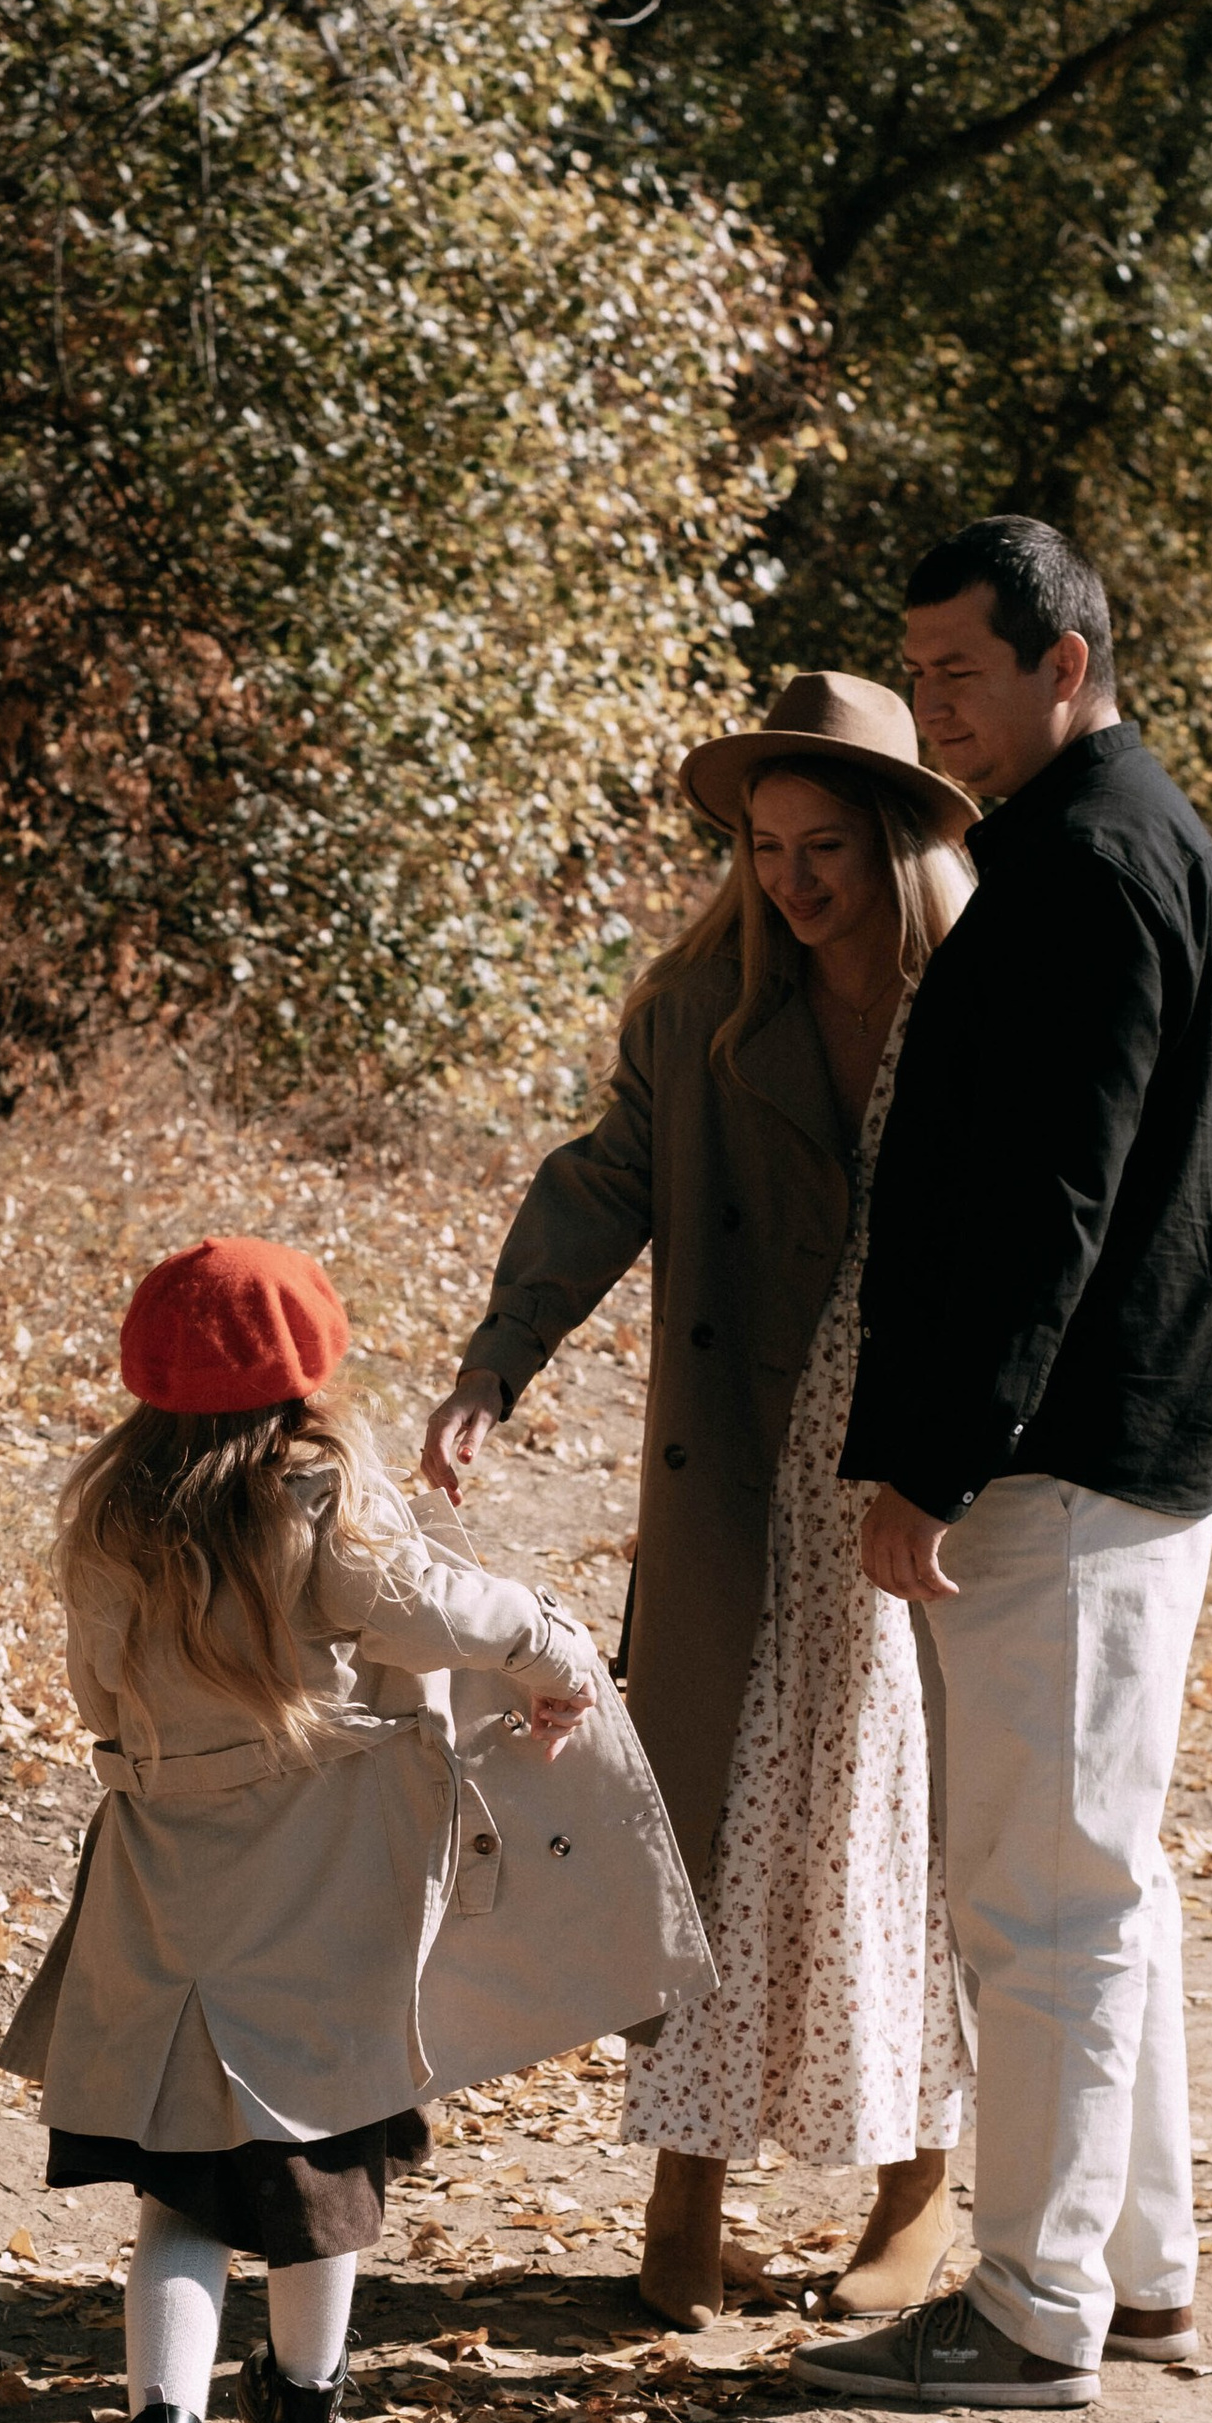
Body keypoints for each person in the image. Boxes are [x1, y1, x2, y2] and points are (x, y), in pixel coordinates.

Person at [796, 517, 1212, 2413]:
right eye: (915, 671)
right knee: (1102, 1881)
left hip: (1066, 1464)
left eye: (963, 673)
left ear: (1065, 663)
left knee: (1041, 1899)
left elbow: (1049, 1206)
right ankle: (1138, 2280)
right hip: (1135, 1443)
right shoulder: (1145, 842)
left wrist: (937, 1455)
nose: (934, 706)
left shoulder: (1087, 866)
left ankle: (1028, 2309)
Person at [422, 675, 979, 2330]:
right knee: (730, 1815)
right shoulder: (701, 1006)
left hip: (929, 1463)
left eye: (824, 848)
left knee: (903, 1817)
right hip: (753, 1470)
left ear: (893, 843)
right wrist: (496, 1359)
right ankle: (686, 2200)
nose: (794, 881)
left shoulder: (978, 997)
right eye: (762, 848)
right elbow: (602, 1182)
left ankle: (918, 2183)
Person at [0, 1235, 598, 2423]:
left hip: (165, 1902)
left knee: (184, 2202)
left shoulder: (110, 1525)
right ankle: (309, 2421)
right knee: (324, 2172)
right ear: (310, 1375)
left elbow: (96, 1692)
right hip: (318, 1909)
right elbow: (444, 1610)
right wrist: (557, 1650)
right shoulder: (316, 1505)